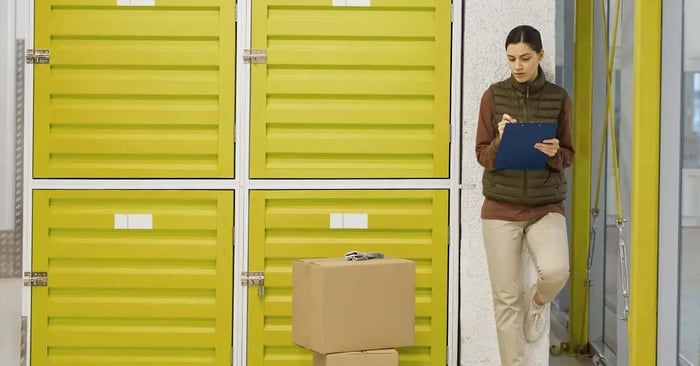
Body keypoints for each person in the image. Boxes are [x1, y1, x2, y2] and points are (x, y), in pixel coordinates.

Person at [475, 25, 573, 366]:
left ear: (540, 56)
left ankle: (537, 304)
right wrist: (502, 139)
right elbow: (483, 156)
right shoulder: (493, 95)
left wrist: (553, 152)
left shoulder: (559, 98)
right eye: (512, 59)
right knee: (505, 298)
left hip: (546, 206)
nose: (518, 66)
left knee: (557, 270)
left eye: (525, 58)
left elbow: (569, 157)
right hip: (500, 207)